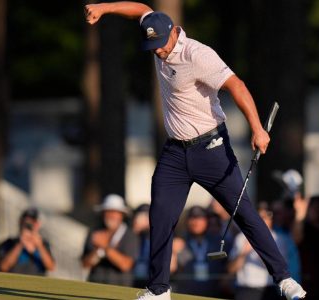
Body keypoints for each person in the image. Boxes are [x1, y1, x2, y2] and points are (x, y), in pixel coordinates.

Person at [84, 2, 306, 300]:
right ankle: (159, 290)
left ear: (174, 33)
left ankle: (284, 280)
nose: (158, 51)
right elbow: (141, 9)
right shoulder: (156, 30)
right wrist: (105, 7)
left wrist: (257, 128)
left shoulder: (199, 56)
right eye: (152, 46)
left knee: (245, 215)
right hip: (175, 153)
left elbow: (237, 86)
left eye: (161, 45)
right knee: (160, 215)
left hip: (211, 149)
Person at [227, 202, 284, 300]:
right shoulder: (241, 238)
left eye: (267, 216)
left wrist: (262, 250)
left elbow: (279, 268)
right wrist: (243, 253)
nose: (263, 220)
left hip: (269, 289)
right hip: (246, 290)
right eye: (260, 216)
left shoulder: (278, 239)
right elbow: (231, 270)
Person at [170, 206, 229, 298]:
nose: (196, 222)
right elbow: (171, 270)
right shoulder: (180, 241)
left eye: (200, 218)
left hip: (212, 293)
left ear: (207, 221)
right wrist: (172, 252)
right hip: (186, 294)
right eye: (192, 218)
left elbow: (228, 267)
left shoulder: (219, 242)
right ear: (187, 221)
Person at [81, 194, 138, 287]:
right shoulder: (95, 232)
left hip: (120, 289)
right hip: (95, 286)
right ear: (103, 213)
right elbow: (85, 264)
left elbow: (126, 265)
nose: (111, 215)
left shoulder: (129, 235)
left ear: (122, 215)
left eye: (115, 212)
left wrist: (105, 247)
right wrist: (97, 252)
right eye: (109, 211)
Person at [0, 207, 56, 275]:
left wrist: (39, 246)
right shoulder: (9, 243)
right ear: (20, 223)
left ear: (38, 225)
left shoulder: (43, 244)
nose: (30, 226)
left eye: (33, 223)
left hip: (37, 284)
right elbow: (3, 267)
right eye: (26, 223)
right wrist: (20, 244)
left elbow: (51, 267)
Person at [133, 204, 152, 287]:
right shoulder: (133, 235)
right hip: (134, 280)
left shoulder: (155, 235)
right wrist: (135, 229)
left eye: (146, 216)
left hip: (150, 280)